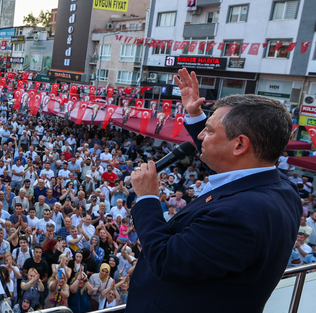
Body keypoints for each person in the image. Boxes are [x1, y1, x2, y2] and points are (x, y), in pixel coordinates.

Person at [126, 68, 302, 313]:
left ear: (240, 144)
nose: (200, 136)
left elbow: (167, 261)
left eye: (208, 130)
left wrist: (147, 198)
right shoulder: (280, 188)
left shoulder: (238, 215)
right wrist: (195, 114)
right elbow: (227, 153)